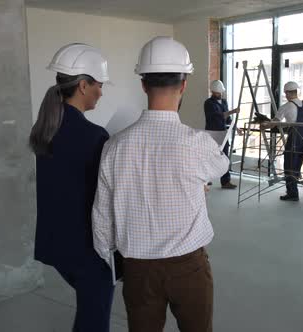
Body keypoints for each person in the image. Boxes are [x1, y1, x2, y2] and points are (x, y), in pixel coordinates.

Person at [92, 36, 229, 332]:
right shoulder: (196, 143)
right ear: (183, 85)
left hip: (138, 267)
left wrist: (110, 256)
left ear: (143, 84)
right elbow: (221, 168)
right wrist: (197, 181)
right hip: (189, 266)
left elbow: (101, 219)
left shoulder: (114, 146)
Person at [30, 43, 115, 332]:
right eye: (99, 85)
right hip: (85, 247)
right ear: (82, 85)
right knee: (94, 316)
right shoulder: (93, 136)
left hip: (56, 243)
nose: (101, 92)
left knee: (89, 309)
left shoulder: (46, 128)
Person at [274, 81, 303, 201]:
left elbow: (275, 121)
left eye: (285, 93)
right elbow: (295, 121)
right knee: (297, 166)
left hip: (295, 139)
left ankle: (292, 194)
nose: (286, 95)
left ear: (288, 93)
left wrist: (264, 125)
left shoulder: (286, 106)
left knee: (289, 166)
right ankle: (293, 192)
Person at [204, 80, 239, 189]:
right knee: (209, 156)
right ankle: (206, 179)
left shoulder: (223, 102)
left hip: (223, 133)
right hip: (212, 133)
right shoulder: (208, 103)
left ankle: (225, 181)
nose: (219, 94)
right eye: (217, 93)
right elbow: (219, 116)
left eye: (220, 93)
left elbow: (227, 119)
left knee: (224, 157)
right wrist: (233, 111)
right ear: (213, 92)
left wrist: (236, 127)